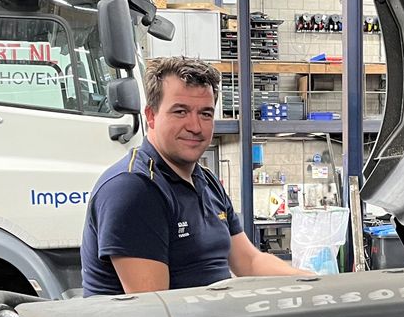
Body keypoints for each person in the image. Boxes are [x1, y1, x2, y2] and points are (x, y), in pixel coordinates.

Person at [80, 56, 305, 296]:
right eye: (180, 111)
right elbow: (155, 307)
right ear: (151, 116)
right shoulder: (134, 188)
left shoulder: (206, 182)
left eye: (205, 114)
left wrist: (314, 283)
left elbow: (249, 262)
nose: (195, 126)